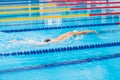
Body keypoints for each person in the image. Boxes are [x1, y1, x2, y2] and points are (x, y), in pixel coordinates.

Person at [10, 30, 98, 45]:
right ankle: (18, 42)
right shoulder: (73, 34)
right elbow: (85, 32)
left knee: (35, 42)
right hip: (54, 41)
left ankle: (18, 41)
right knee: (36, 44)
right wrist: (93, 31)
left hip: (54, 39)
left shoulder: (69, 33)